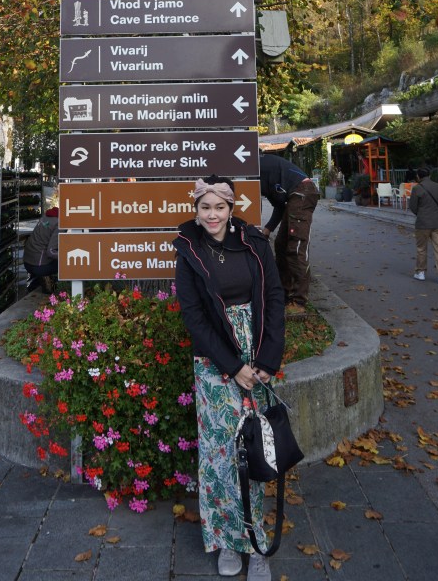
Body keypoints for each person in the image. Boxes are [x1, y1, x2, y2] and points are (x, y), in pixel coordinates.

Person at [174, 175, 285, 581]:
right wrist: (232, 366)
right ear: (196, 210)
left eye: (219, 207)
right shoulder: (188, 250)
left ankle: (255, 545)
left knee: (254, 450)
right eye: (205, 207)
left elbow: (274, 297)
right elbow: (194, 316)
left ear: (231, 208)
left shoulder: (254, 243)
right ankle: (225, 539)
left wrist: (267, 359)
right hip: (214, 361)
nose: (212, 215)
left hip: (257, 355)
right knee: (220, 454)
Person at [259, 152, 319, 318]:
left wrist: (265, 229)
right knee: (281, 245)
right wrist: (268, 229)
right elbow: (279, 205)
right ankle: (284, 294)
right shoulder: (264, 171)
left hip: (302, 193)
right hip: (295, 195)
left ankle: (299, 302)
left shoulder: (255, 167)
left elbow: (264, 204)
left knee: (295, 247)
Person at [408, 168, 438, 284]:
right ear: (430, 175)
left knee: (421, 248)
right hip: (437, 222)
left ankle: (421, 272)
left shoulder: (417, 188)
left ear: (418, 176)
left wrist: (420, 213)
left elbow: (412, 206)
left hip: (422, 223)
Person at [23, 206, 59, 294]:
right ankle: (51, 286)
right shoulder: (59, 223)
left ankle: (36, 281)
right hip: (39, 266)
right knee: (68, 263)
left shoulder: (46, 216)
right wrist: (67, 256)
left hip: (27, 263)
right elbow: (51, 252)